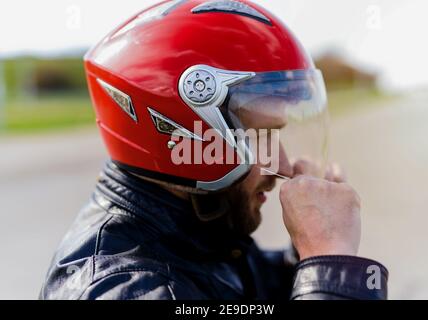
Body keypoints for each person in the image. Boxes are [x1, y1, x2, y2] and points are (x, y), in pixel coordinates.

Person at [40, 0, 388, 300]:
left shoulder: (198, 229)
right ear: (183, 133)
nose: (281, 165)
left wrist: (303, 258)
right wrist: (330, 263)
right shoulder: (120, 287)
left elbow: (230, 288)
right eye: (260, 135)